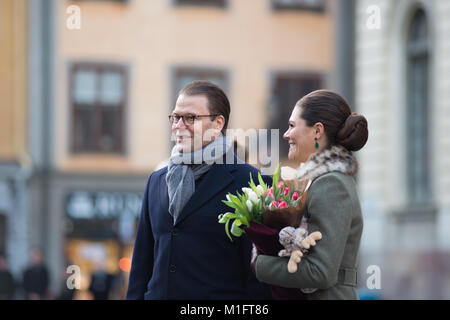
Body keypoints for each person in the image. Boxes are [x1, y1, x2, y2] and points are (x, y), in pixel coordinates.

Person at [126, 80, 272, 300]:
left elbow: (257, 276)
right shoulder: (156, 180)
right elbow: (141, 266)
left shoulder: (251, 181)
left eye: (190, 118)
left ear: (217, 123)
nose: (178, 125)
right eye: (176, 117)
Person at [254, 89, 368, 300]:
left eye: (291, 126)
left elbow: (320, 272)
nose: (286, 134)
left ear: (317, 131)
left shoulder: (332, 184)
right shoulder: (321, 181)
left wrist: (257, 264)